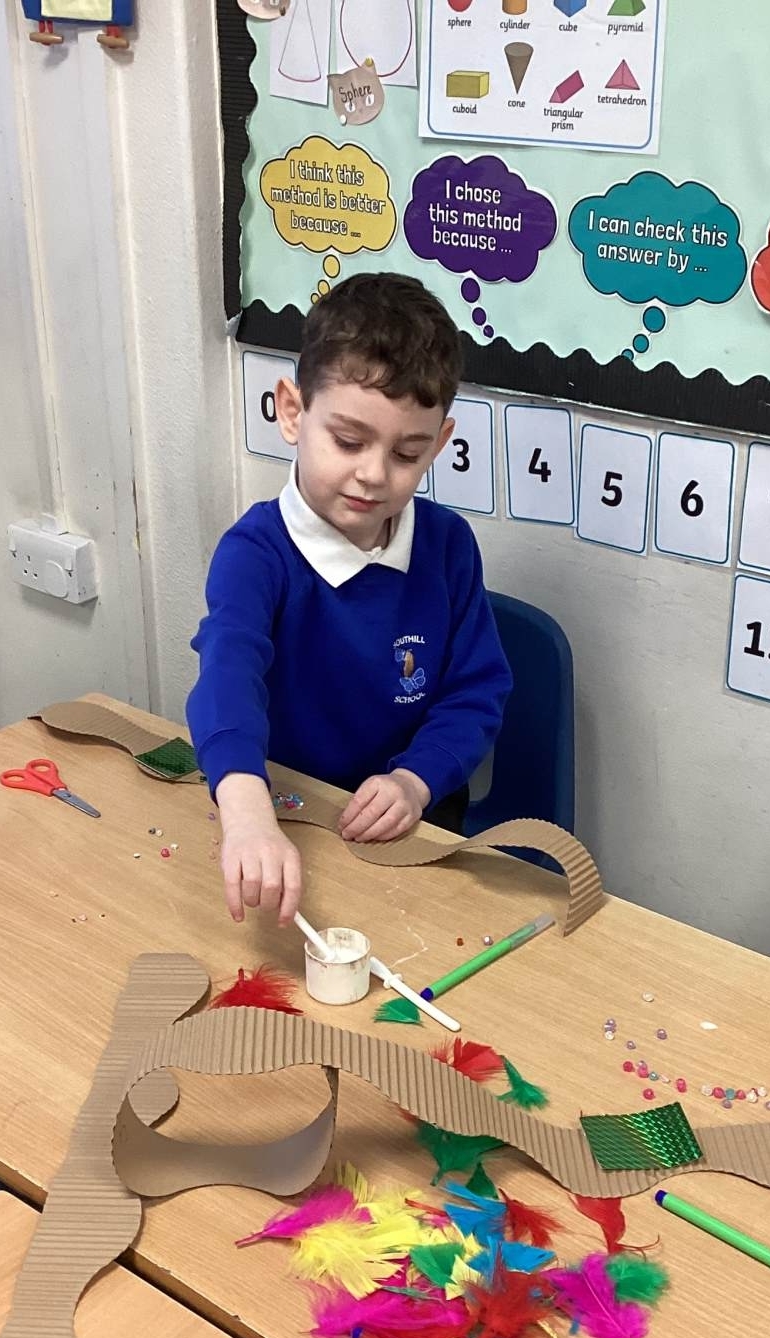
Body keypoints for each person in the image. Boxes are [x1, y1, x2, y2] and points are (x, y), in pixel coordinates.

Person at [188, 272, 511, 926]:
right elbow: (226, 680)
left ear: (439, 444)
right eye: (348, 441)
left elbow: (476, 692)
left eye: (407, 454)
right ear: (292, 412)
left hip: (408, 823)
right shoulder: (255, 554)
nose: (373, 474)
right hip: (286, 816)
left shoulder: (447, 545)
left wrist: (414, 780)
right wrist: (247, 816)